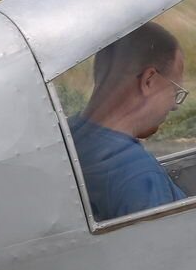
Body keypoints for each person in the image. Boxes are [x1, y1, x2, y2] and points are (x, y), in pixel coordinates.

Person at [70, 22, 188, 221]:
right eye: (174, 91)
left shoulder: (69, 135)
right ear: (149, 80)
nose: (175, 106)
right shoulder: (139, 177)